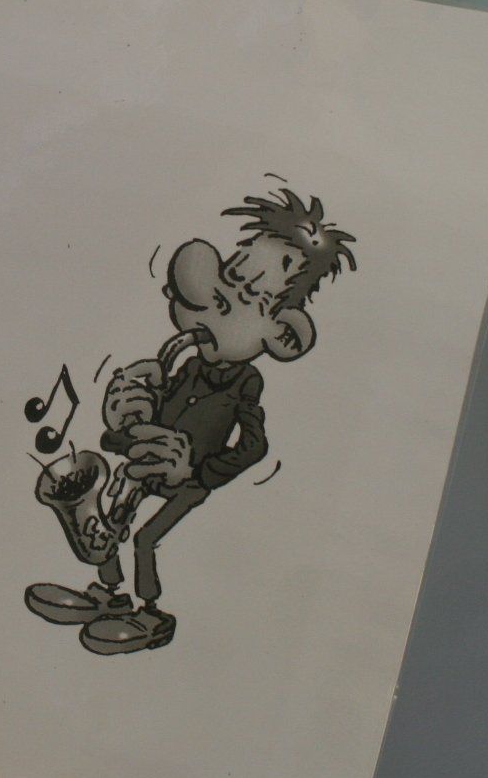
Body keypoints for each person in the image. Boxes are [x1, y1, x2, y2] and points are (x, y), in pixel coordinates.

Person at [25, 188, 356, 654]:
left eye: (249, 299)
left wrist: (201, 472)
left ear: (282, 335)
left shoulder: (246, 383)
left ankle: (151, 614)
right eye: (229, 280)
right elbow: (161, 410)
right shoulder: (189, 365)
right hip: (152, 466)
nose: (218, 304)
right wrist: (128, 418)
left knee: (145, 539)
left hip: (190, 481)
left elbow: (254, 446)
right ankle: (107, 593)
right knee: (112, 520)